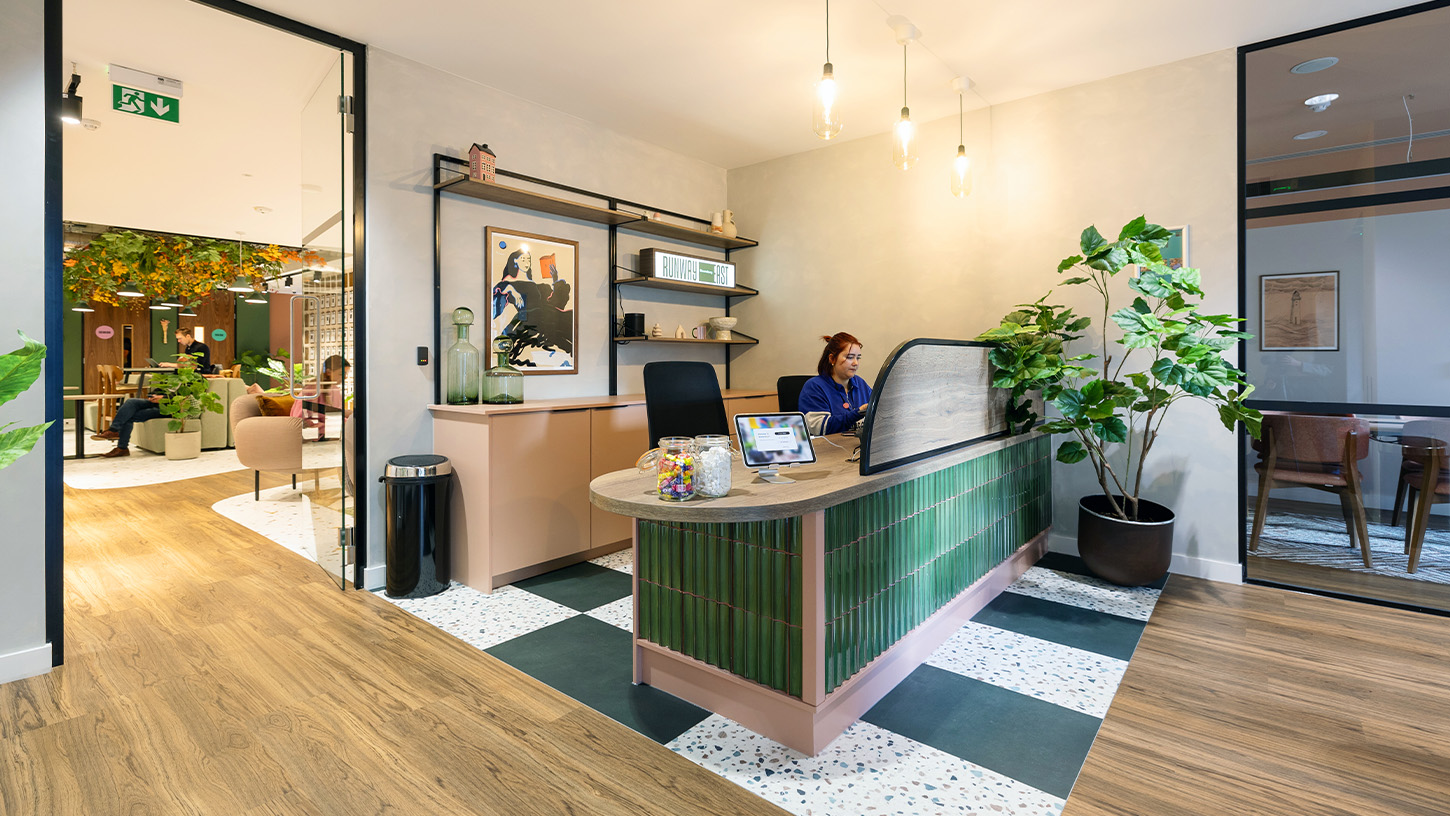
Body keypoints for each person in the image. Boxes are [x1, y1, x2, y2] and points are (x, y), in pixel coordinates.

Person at [798, 332, 871, 436]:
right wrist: (858, 412)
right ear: (832, 359)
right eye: (850, 357)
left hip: (857, 448)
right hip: (829, 450)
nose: (856, 363)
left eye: (858, 357)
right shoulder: (814, 387)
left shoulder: (860, 383)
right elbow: (818, 429)